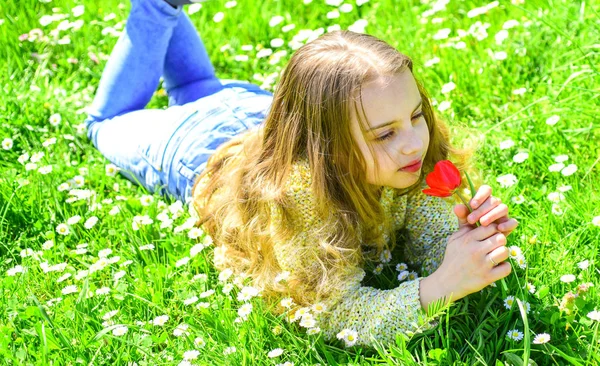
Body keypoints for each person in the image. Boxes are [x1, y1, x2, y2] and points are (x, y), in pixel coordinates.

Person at [85, 0, 519, 348]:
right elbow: (334, 312)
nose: (412, 142)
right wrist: (438, 287)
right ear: (324, 149)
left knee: (198, 84)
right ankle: (157, 7)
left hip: (253, 110)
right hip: (191, 144)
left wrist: (464, 244)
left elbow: (426, 232)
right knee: (105, 124)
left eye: (416, 115)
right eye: (384, 134)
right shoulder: (296, 195)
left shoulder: (401, 152)